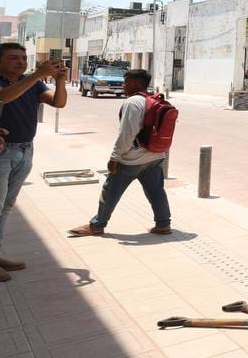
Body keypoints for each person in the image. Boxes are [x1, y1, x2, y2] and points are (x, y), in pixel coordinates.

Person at [0, 44, 68, 283]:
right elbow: (3, 97)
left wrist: (61, 80)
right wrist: (36, 75)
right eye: (13, 58)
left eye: (23, 58)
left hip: (24, 149)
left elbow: (58, 102)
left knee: (5, 207)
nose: (21, 62)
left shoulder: (30, 81)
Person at [67, 69, 172, 238]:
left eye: (126, 82)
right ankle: (163, 224)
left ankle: (97, 225)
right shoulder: (152, 100)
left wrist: (114, 157)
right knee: (156, 191)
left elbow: (126, 134)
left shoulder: (133, 102)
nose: (123, 86)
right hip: (155, 155)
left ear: (137, 83)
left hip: (131, 160)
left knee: (111, 191)